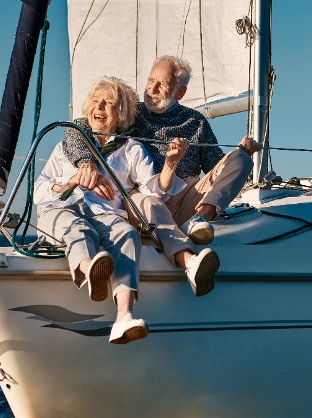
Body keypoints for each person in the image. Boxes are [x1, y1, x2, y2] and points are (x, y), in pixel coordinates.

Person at [35, 77, 220, 344]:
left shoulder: (130, 149)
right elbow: (40, 190)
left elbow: (153, 190)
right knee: (78, 228)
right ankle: (90, 270)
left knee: (126, 234)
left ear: (120, 113)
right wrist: (71, 182)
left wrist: (170, 164)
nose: (100, 107)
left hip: (105, 213)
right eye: (95, 102)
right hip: (61, 208)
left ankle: (124, 317)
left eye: (109, 103)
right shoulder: (67, 145)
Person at [61, 56, 262, 281]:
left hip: (186, 199)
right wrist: (86, 162)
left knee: (241, 160)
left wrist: (243, 152)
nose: (152, 89)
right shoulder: (132, 113)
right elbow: (76, 127)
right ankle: (187, 258)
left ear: (180, 93)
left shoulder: (195, 121)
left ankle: (200, 221)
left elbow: (217, 167)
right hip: (141, 199)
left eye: (162, 84)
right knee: (146, 199)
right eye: (150, 80)